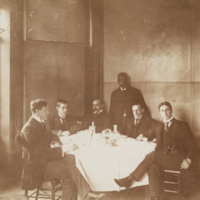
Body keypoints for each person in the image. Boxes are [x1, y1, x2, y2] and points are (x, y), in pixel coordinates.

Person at [16, 99, 104, 200]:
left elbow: (52, 135)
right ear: (37, 111)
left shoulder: (39, 123)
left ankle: (85, 193)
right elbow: (40, 153)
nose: (48, 112)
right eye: (46, 110)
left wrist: (56, 143)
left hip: (45, 160)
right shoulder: (29, 128)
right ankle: (87, 194)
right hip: (38, 166)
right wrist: (63, 149)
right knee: (70, 172)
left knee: (73, 158)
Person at [114, 101, 198, 200]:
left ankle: (130, 179)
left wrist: (188, 159)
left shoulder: (182, 125)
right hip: (163, 159)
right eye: (162, 111)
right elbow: (147, 133)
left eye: (167, 110)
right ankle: (154, 197)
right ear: (160, 113)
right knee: (152, 166)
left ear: (171, 111)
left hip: (178, 159)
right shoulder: (158, 126)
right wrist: (142, 135)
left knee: (153, 155)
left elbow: (193, 146)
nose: (165, 112)